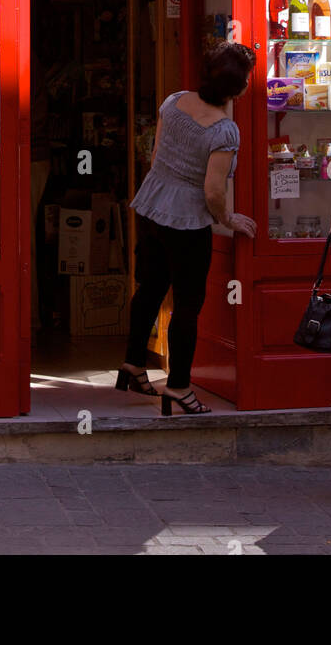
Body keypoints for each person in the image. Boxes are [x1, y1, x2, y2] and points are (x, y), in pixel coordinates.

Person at [117, 42, 257, 415]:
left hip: (151, 205)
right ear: (239, 87)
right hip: (186, 221)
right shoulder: (225, 130)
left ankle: (133, 364)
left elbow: (158, 153)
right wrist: (227, 219)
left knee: (150, 288)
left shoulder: (174, 101)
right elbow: (213, 191)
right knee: (188, 306)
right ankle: (178, 386)